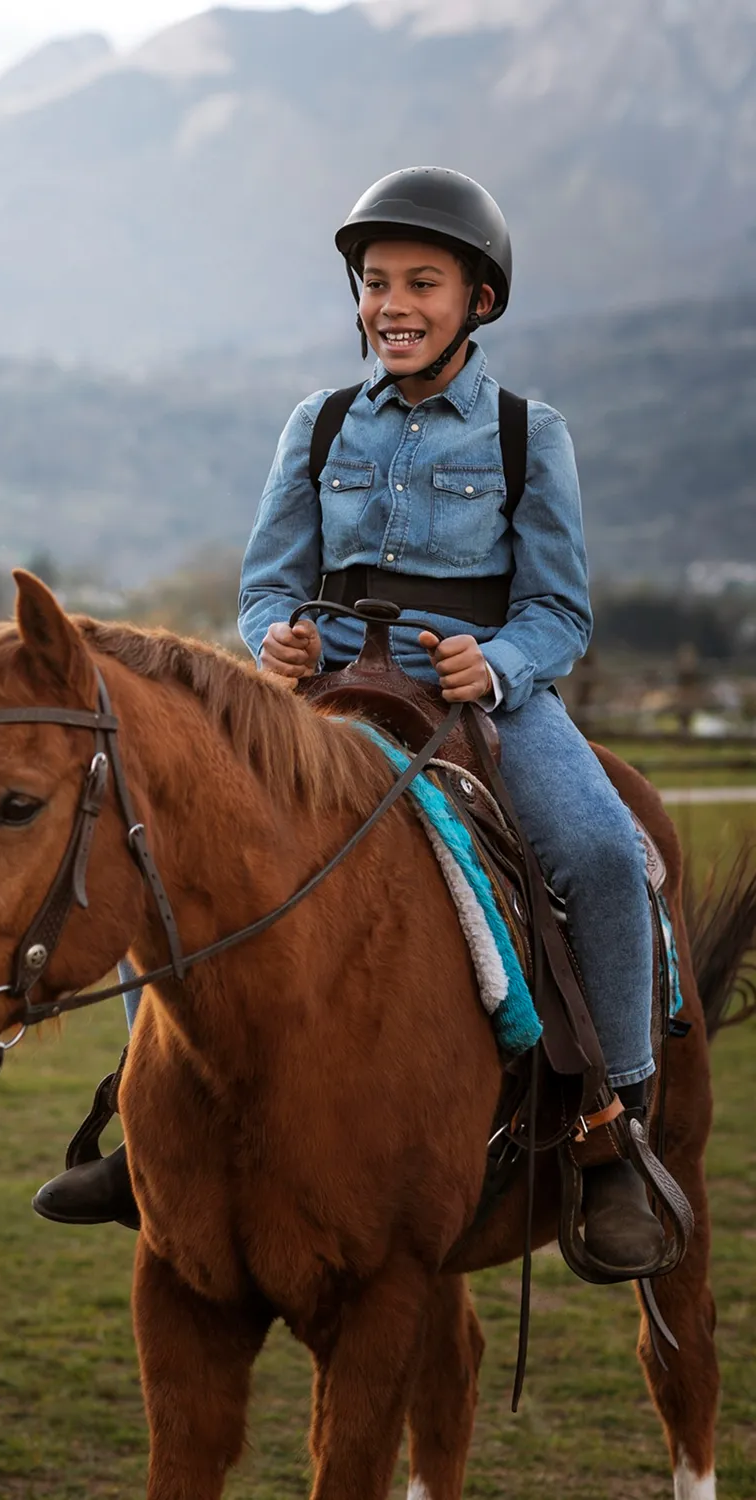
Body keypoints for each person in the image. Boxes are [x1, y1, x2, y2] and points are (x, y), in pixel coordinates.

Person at [34, 167, 664, 1271]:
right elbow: (270, 581)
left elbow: (560, 611)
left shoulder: (527, 433)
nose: (394, 304)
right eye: (376, 283)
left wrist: (499, 662)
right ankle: (138, 1123)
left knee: (605, 851)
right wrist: (272, 634)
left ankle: (612, 1134)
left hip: (474, 695)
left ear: (478, 299)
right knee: (168, 836)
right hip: (320, 697)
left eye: (423, 282)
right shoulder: (317, 424)